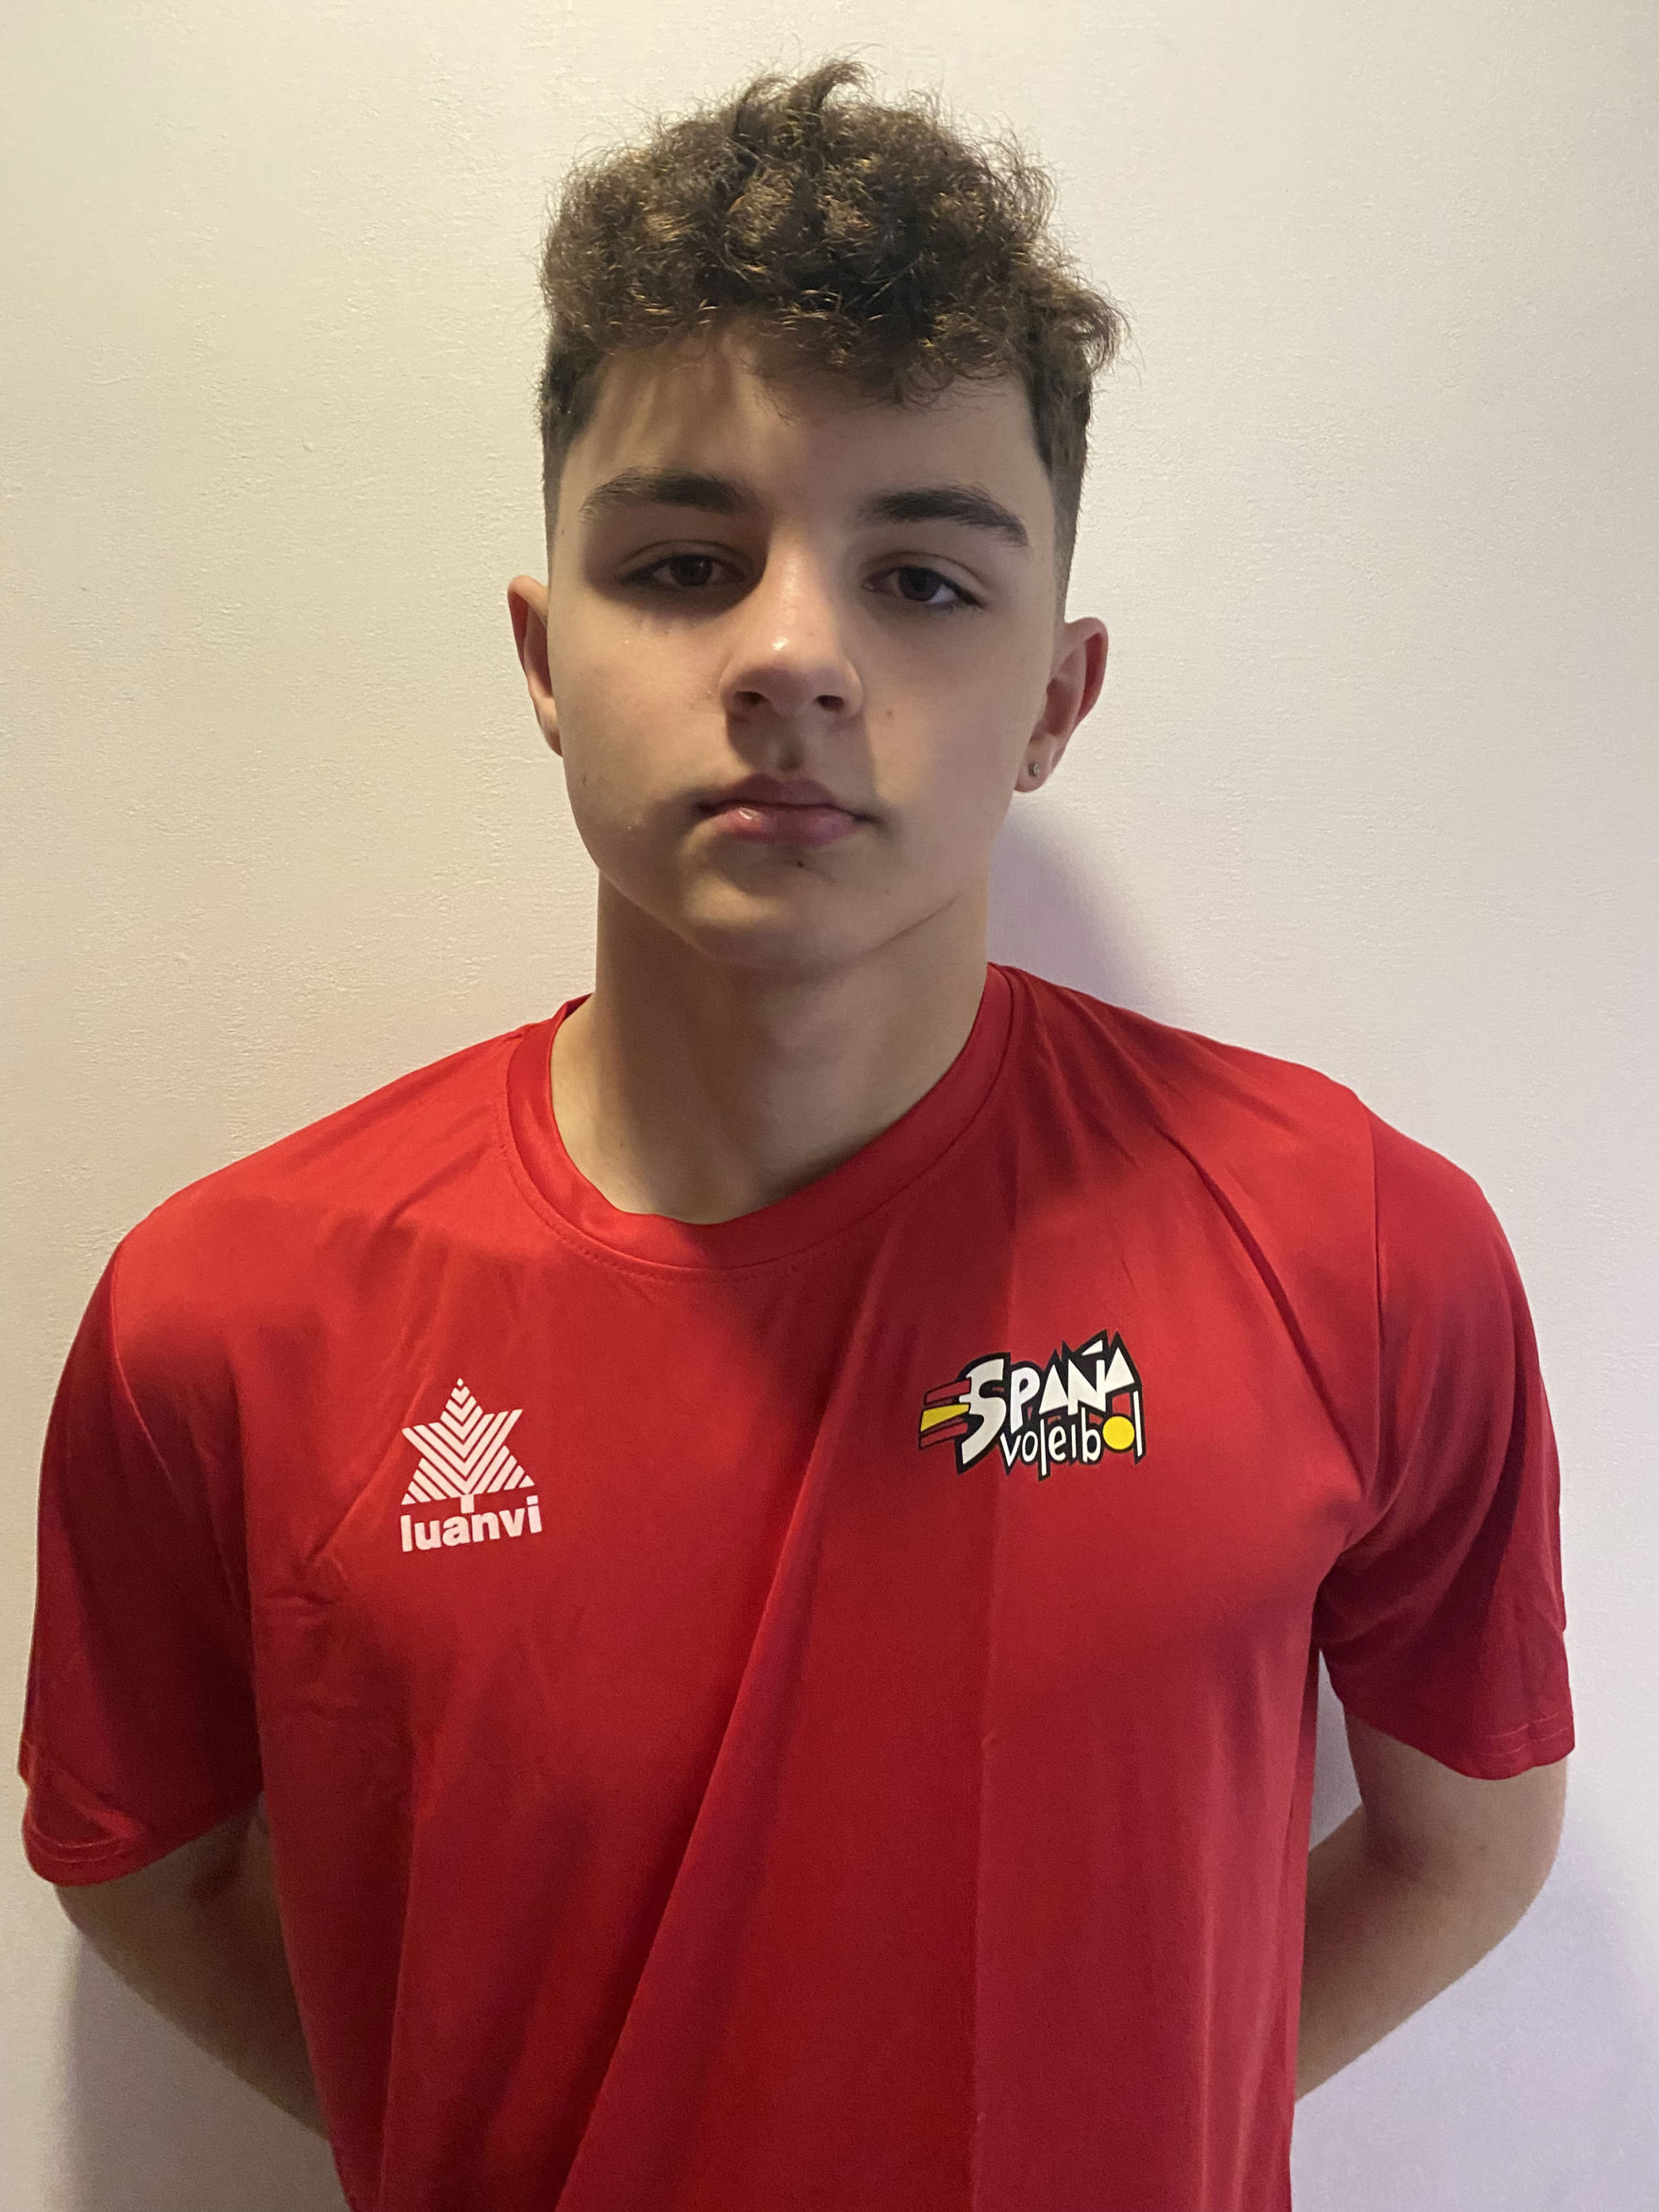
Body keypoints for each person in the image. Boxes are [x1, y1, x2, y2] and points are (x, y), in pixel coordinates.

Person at [18, 58, 1574, 2212]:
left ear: (1057, 697)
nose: (791, 656)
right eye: (683, 561)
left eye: (922, 579)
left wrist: (1150, 2108)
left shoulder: (1362, 1252)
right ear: (543, 657)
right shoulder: (230, 1318)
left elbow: (1463, 1844)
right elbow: (149, 1864)